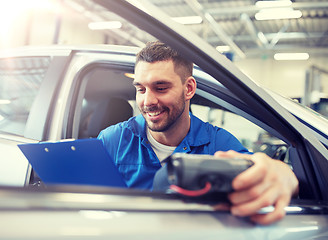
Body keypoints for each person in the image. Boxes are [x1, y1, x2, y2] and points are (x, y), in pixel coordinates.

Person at [98, 41, 299, 225]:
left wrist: (283, 175)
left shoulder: (217, 143)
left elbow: (262, 175)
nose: (147, 101)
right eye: (141, 89)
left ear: (189, 89)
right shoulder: (112, 141)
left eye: (160, 88)